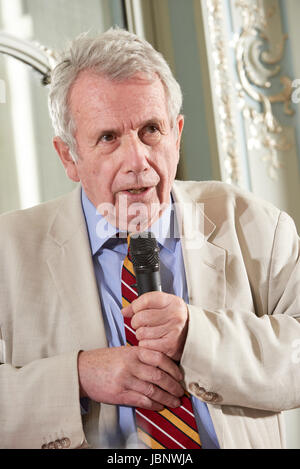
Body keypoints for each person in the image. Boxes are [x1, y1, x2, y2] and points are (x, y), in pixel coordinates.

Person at [1, 27, 300, 450]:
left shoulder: (255, 225)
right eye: (108, 138)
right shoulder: (7, 250)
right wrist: (78, 377)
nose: (137, 160)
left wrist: (197, 336)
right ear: (69, 156)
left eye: (151, 130)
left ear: (176, 134)